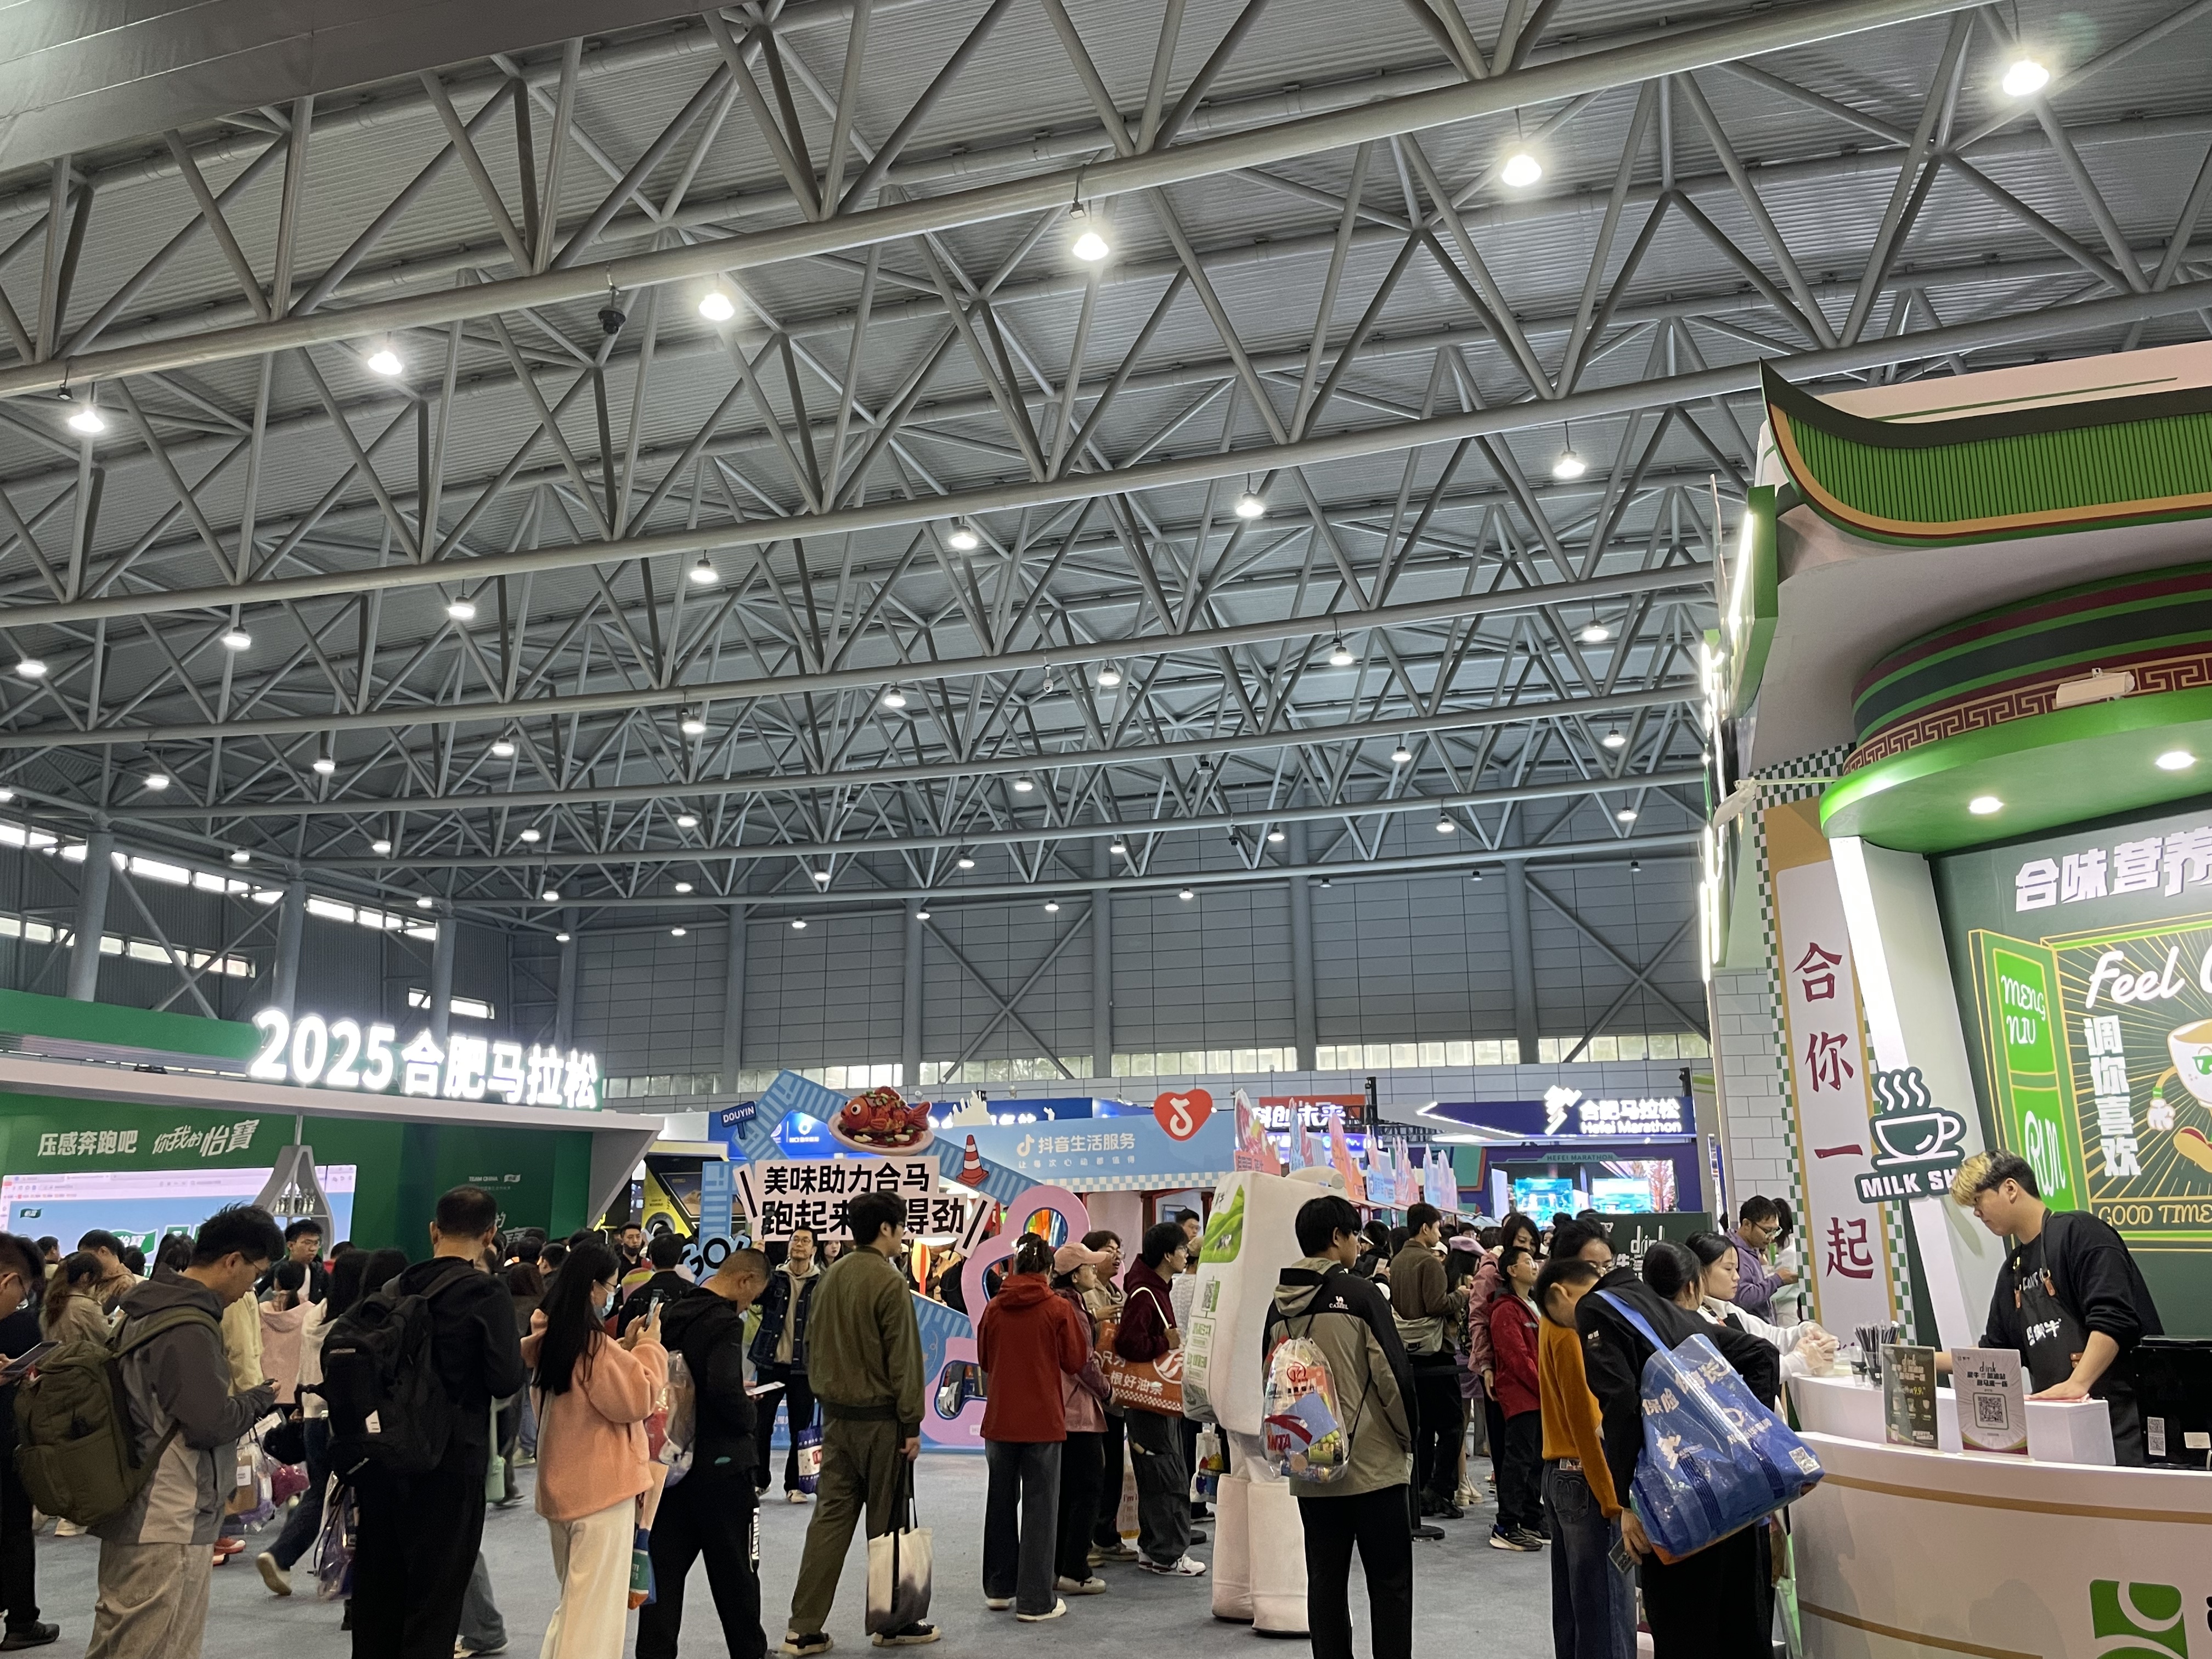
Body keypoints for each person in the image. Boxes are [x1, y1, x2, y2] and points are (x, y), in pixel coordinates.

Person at [86, 1207, 280, 1659]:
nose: (250, 1288)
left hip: (135, 1499)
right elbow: (208, 1422)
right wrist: (257, 1399)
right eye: (255, 1274)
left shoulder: (145, 1308)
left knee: (122, 1640)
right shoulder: (188, 1323)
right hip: (170, 1511)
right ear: (233, 1261)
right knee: (160, 1645)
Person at [348, 1187, 526, 1659]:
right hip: (450, 1460)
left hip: (385, 1456)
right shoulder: (486, 1292)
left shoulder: (395, 1287)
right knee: (435, 1601)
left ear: (433, 1231)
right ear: (489, 1235)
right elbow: (505, 1379)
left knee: (379, 1594)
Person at [1579, 1236, 1779, 1657]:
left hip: (1679, 1504)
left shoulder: (1610, 1316)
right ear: (1693, 1284)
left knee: (1685, 1628)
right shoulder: (1687, 1322)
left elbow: (1621, 1406)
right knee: (1742, 1627)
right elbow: (1763, 1354)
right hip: (1737, 1494)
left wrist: (1627, 1503)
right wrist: (1752, 1439)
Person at [783, 1192, 936, 1655]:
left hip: (836, 1419)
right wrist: (912, 1424)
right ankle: (893, 1622)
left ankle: (803, 1627)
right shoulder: (889, 1280)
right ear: (886, 1228)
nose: (903, 1234)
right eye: (901, 1226)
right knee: (888, 1522)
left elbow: (811, 1343)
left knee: (829, 1521)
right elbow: (904, 1359)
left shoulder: (830, 1276)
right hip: (882, 1424)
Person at [1265, 1195, 1414, 1659]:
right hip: (1374, 1467)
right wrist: (1408, 1441)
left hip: (1311, 1463)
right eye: (1354, 1235)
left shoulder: (1278, 1308)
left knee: (1325, 1581)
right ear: (1337, 1238)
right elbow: (1393, 1378)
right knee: (1389, 1583)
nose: (1358, 1244)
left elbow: (1270, 1383)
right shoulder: (1362, 1296)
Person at [1947, 1150, 2163, 1463]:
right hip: (2058, 1431)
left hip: (2123, 1426)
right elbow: (1996, 1352)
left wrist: (2078, 1383)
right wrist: (1920, 1361)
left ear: (2010, 1188)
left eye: (1978, 1200)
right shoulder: (2012, 1271)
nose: (1977, 1213)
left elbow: (2113, 1319)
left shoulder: (2080, 1232)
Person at [523, 1238, 669, 1658]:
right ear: (592, 1287)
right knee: (595, 1617)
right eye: (610, 1286)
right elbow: (638, 1398)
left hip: (560, 1488)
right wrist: (650, 1346)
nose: (611, 1295)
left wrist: (625, 1348)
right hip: (601, 1491)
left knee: (575, 1605)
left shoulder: (552, 1339)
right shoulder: (591, 1347)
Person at [640, 1246, 771, 1659]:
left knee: (664, 1575)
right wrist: (749, 1414)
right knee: (737, 1576)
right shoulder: (723, 1323)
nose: (748, 1306)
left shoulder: (669, 1314)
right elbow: (723, 1390)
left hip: (669, 1467)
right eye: (753, 1297)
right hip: (722, 1466)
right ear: (745, 1281)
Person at [977, 1234, 1089, 1622]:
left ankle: (999, 1587)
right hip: (1043, 1419)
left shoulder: (994, 1307)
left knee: (1000, 1501)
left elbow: (984, 1359)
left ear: (1015, 1265)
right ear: (1048, 1269)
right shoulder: (1058, 1308)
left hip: (1000, 1419)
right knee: (1042, 1507)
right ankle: (1036, 1600)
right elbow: (1075, 1359)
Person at [1535, 1255, 1634, 1659]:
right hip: (1588, 1478)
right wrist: (1615, 1502)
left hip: (1561, 1475)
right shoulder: (1571, 1334)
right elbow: (1586, 1423)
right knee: (1606, 1609)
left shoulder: (1551, 1324)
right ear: (1561, 1292)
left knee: (1577, 1607)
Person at [256, 1247, 370, 1598]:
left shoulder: (316, 1314)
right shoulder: (356, 1319)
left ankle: (285, 1555)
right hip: (341, 1418)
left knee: (319, 1491)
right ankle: (288, 1556)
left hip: (310, 1414)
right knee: (335, 1496)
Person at [1117, 1222, 1203, 1578]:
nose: (1187, 1255)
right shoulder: (1145, 1293)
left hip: (1153, 1399)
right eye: (1183, 1249)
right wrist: (1165, 1342)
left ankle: (1153, 1548)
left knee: (1156, 1474)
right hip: (1152, 1400)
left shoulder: (1153, 1288)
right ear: (1168, 1255)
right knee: (1167, 1474)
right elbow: (1128, 1343)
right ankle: (1169, 1554)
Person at [1389, 1203, 1461, 1525]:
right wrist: (1461, 1295)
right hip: (1436, 1352)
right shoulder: (1429, 1263)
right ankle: (1440, 1489)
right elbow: (1437, 1304)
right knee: (1451, 1425)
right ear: (1425, 1229)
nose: (1439, 1233)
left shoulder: (1398, 1261)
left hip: (1409, 1355)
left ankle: (1420, 1491)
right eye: (1437, 1227)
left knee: (1423, 1427)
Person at [1683, 1232, 1835, 1381]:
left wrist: (1805, 1332)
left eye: (1736, 1269)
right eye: (1728, 1269)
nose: (1737, 1277)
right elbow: (1737, 1376)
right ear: (1699, 1272)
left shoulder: (1726, 1309)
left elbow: (1771, 1336)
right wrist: (1799, 1360)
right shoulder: (1696, 1322)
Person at [1048, 1244, 1111, 1597]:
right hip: (1077, 1410)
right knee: (1088, 1490)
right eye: (1089, 1266)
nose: (1094, 1272)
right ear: (1075, 1275)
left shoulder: (1058, 1304)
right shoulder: (1071, 1309)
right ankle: (1075, 1569)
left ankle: (1058, 1566)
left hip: (1057, 1409)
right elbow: (1082, 1363)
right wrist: (1107, 1391)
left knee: (1065, 1493)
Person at [0, 1233, 53, 1646]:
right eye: (22, 1294)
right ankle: (21, 1621)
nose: (21, 1303)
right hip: (7, 1442)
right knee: (15, 1528)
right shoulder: (24, 1324)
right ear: (10, 1282)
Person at [751, 1226, 823, 1504]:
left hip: (803, 1367)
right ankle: (760, 1481)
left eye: (805, 1241)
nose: (799, 1244)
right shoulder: (774, 1278)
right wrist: (757, 1261)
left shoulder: (822, 1282)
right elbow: (754, 1295)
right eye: (795, 1240)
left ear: (813, 1249)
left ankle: (795, 1485)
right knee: (762, 1425)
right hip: (771, 1363)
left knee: (800, 1428)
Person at [1078, 1229, 1134, 1565]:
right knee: (1092, 1472)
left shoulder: (1115, 1291)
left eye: (1118, 1250)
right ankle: (1086, 1541)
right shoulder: (1085, 1296)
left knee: (1112, 1468)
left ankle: (1106, 1535)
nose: (1115, 1256)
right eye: (1108, 1250)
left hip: (1115, 1392)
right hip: (1092, 1395)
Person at [1486, 1244, 1544, 1551]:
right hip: (1522, 1395)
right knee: (1518, 1461)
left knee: (1536, 1460)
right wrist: (1545, 1387)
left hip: (1539, 1395)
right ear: (1511, 1270)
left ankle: (1531, 1517)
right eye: (1528, 1261)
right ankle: (1506, 1524)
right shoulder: (1506, 1309)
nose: (1534, 1266)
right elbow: (1517, 1358)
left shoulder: (1532, 1304)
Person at [1726, 1197, 1797, 1321]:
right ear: (1747, 1225)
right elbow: (1744, 1298)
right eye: (1767, 1231)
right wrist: (1778, 1280)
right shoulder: (1735, 1254)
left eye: (1775, 1231)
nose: (1772, 1238)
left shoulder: (1750, 1250)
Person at [41, 1251, 111, 1348]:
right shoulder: (86, 1306)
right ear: (85, 1277)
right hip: (80, 1357)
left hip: (53, 1356)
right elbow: (105, 1341)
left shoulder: (51, 1300)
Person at [259, 1221, 326, 1304]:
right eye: (307, 1243)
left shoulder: (319, 1271)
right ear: (291, 1245)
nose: (313, 1249)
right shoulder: (276, 1270)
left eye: (316, 1243)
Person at [77, 1232, 137, 1311]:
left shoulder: (125, 1283)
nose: (85, 1261)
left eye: (87, 1256)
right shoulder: (92, 1278)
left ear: (103, 1251)